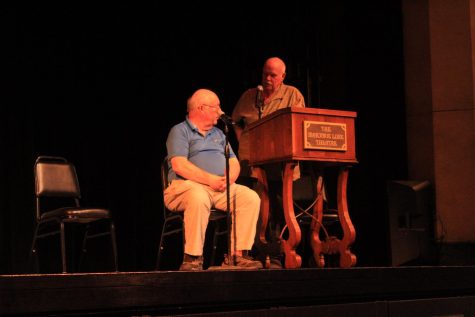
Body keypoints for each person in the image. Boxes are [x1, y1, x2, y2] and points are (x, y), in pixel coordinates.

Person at [163, 88, 263, 271]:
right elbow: (179, 165)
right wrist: (210, 180)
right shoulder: (180, 131)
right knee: (198, 195)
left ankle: (238, 255)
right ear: (201, 108)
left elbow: (234, 161)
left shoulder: (219, 134)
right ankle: (192, 258)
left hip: (218, 188)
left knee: (250, 197)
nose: (220, 111)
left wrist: (230, 178)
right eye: (216, 107)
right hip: (184, 188)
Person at [231, 57, 306, 268]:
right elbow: (235, 121)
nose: (268, 78)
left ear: (283, 76)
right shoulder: (249, 96)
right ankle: (249, 254)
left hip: (279, 166)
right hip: (249, 163)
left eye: (273, 75)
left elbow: (298, 127)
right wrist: (243, 140)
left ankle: (275, 255)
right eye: (265, 73)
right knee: (251, 208)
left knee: (275, 211)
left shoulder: (292, 95)